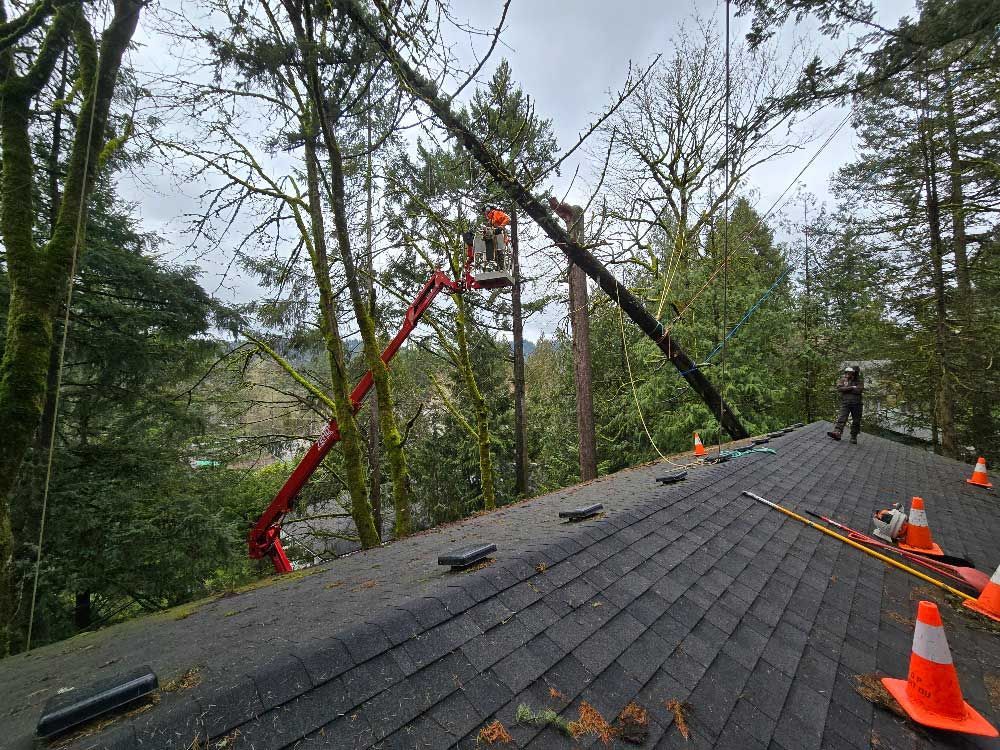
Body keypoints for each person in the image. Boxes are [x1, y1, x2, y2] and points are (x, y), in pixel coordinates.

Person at [828, 365, 864, 443]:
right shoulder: (843, 380)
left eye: (852, 372)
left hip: (857, 403)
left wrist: (847, 389)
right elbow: (840, 389)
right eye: (849, 372)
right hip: (845, 402)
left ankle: (853, 437)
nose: (850, 374)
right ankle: (837, 433)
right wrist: (852, 387)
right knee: (842, 418)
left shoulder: (859, 381)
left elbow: (858, 391)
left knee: (856, 421)